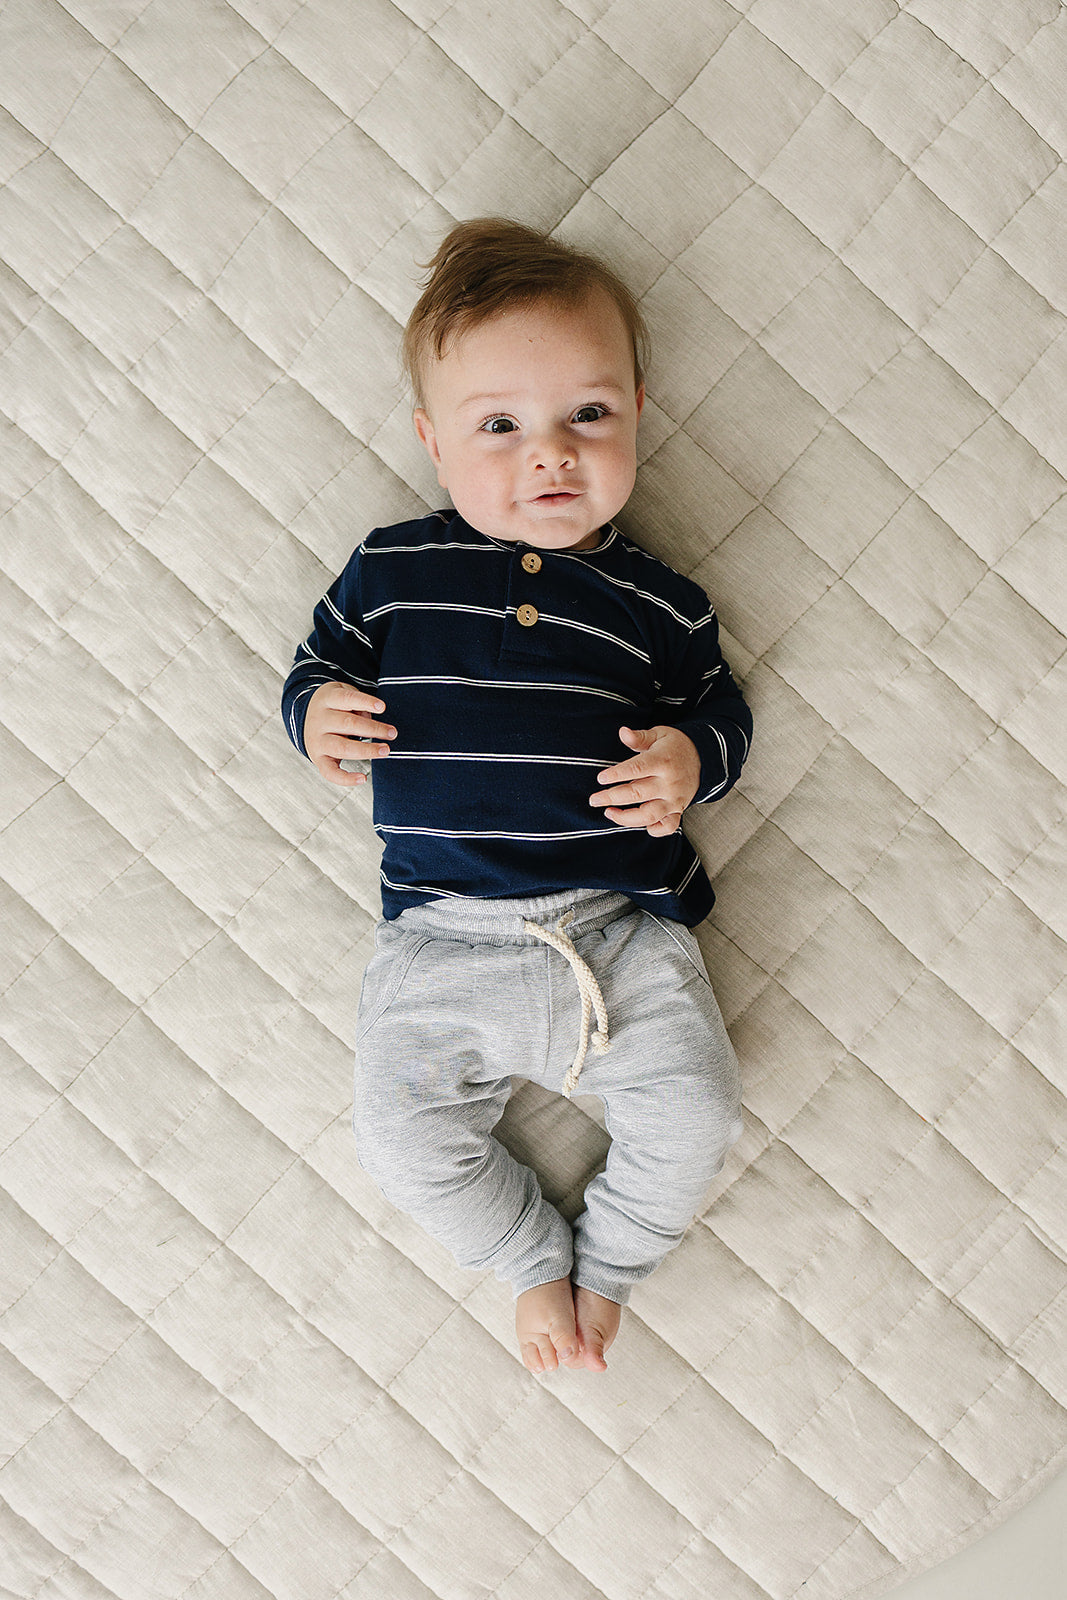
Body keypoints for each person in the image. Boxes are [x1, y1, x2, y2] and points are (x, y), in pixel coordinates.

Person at [281, 219, 752, 1374]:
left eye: (586, 415)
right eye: (500, 426)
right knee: (400, 1141)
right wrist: (314, 713)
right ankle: (529, 1260)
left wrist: (690, 761)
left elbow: (723, 713)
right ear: (433, 443)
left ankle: (614, 1264)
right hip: (440, 939)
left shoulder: (659, 601)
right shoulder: (391, 571)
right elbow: (316, 662)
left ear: (637, 408)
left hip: (617, 925)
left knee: (697, 1111)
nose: (548, 454)